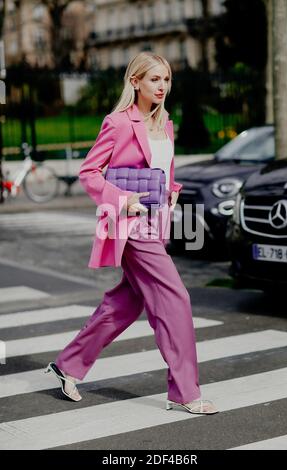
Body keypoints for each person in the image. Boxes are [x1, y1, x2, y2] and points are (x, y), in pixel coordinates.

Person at [45, 51, 218, 415]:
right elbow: (90, 172)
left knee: (127, 301)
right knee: (176, 299)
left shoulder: (166, 123)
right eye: (154, 79)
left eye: (166, 79)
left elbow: (163, 169)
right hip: (131, 225)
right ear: (135, 81)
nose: (162, 86)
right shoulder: (119, 122)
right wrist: (123, 200)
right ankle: (185, 392)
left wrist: (171, 192)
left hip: (157, 223)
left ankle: (67, 365)